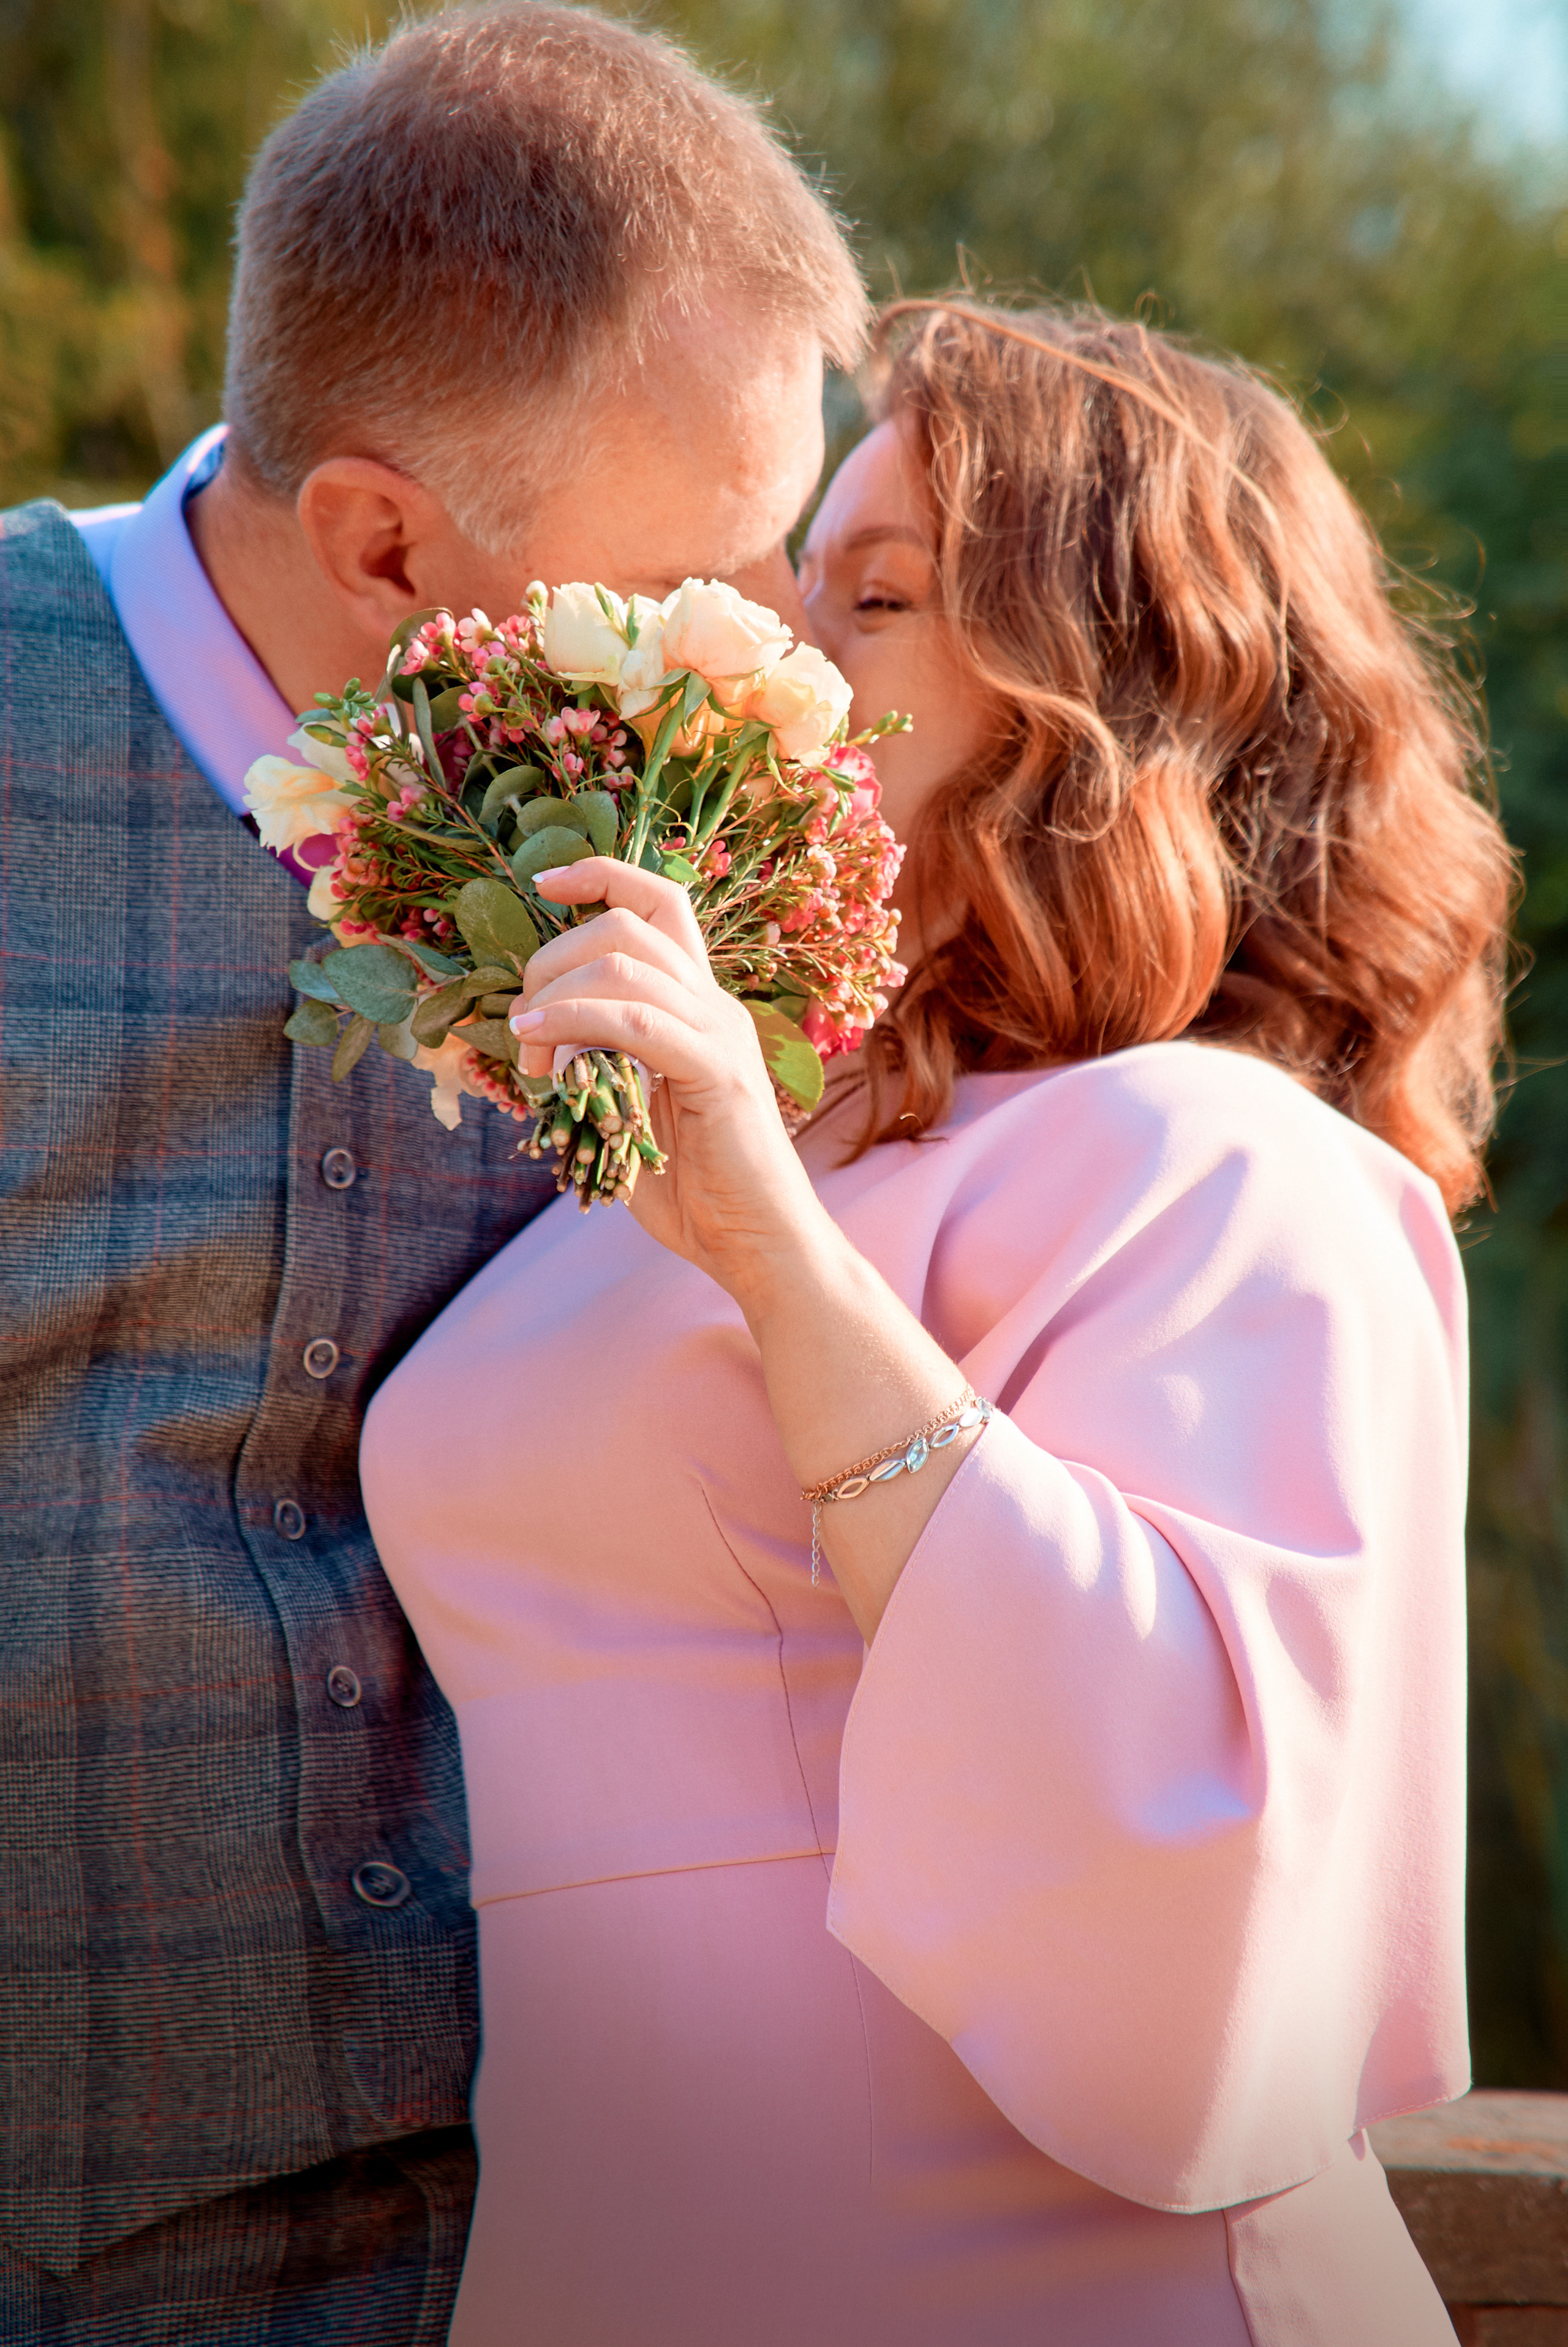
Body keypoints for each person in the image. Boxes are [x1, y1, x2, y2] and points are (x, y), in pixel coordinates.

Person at [362, 299, 1513, 2345]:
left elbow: (1197, 1838)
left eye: (873, 598)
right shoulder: (742, 1138)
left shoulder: (1225, 1164)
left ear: (1111, 683)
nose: (780, 661)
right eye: (792, 589)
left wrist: (774, 1256)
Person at [0, 6, 863, 2340]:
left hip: (578, 2242)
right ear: (383, 542)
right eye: (706, 567)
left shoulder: (718, 824)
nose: (780, 638)